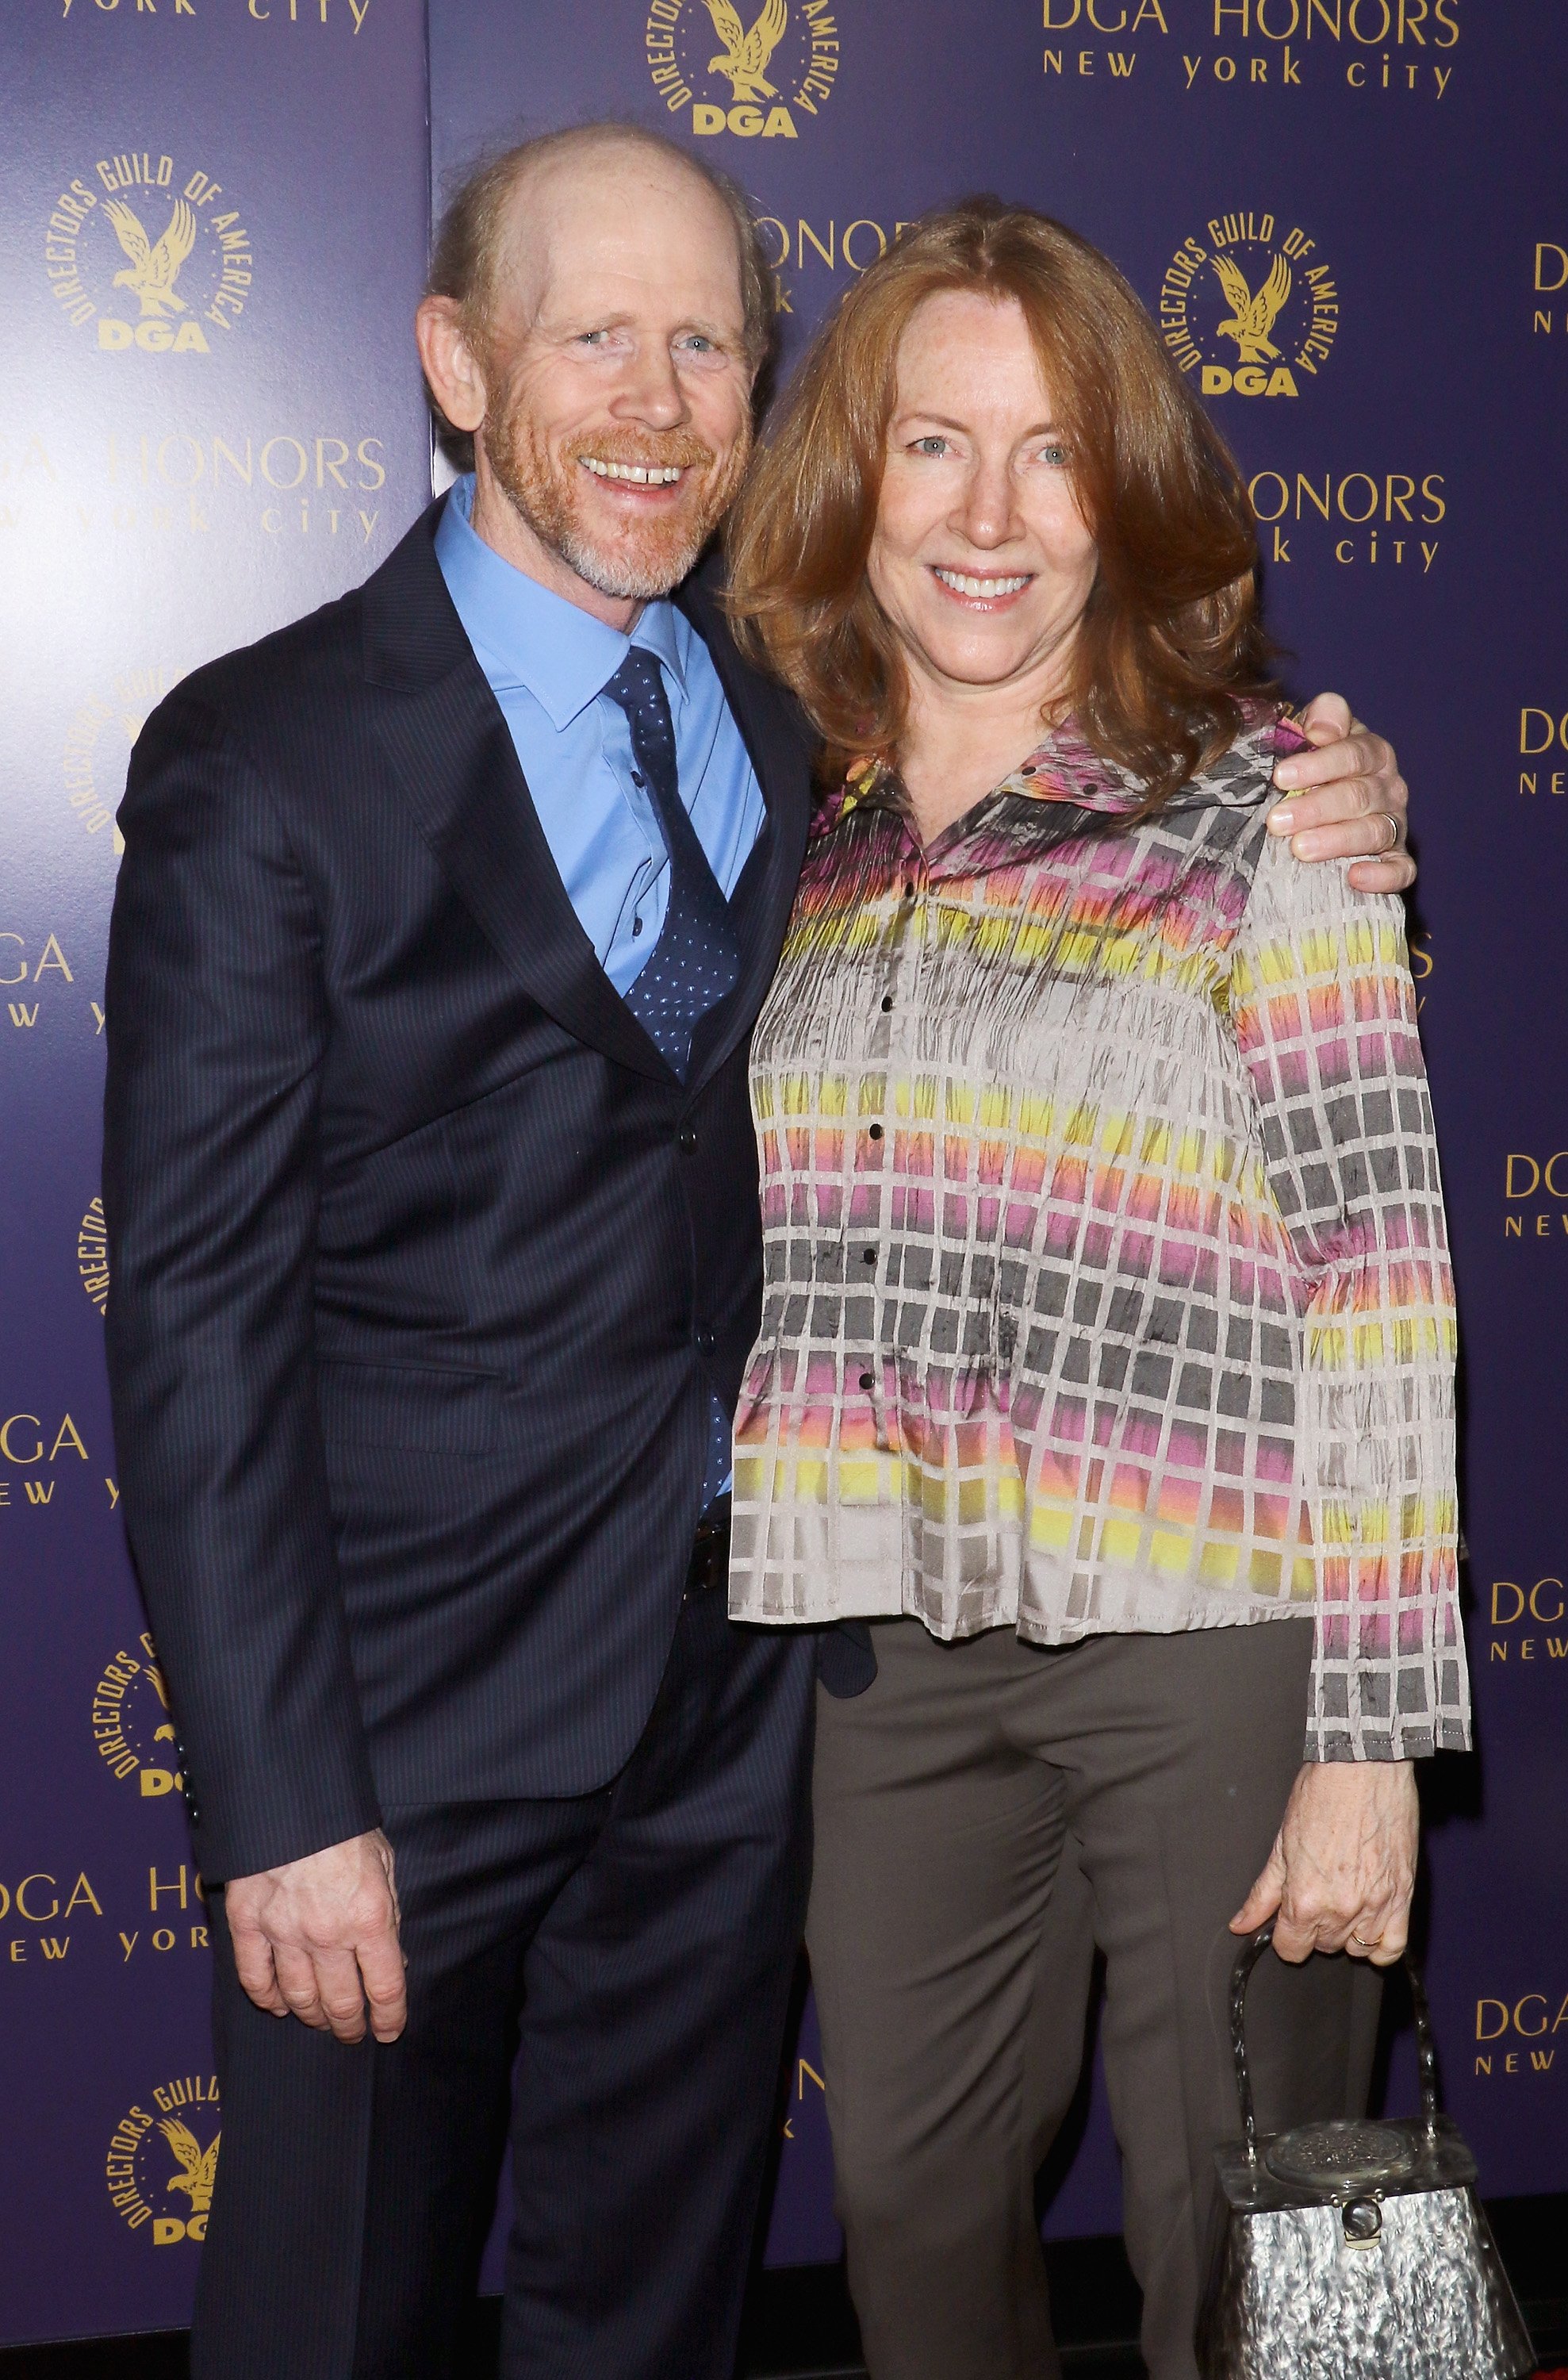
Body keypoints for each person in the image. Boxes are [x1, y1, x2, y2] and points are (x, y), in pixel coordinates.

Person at [102, 124, 1415, 2380]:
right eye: (590, 334)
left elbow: (1370, 1249)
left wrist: (1332, 778)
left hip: (855, 1683)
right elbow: (195, 1318)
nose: (653, 396)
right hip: (454, 1720)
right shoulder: (309, 752)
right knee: (398, 2300)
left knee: (1110, 2249)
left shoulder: (854, 708)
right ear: (452, 360)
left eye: (704, 338)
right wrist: (279, 1795)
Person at [724, 198, 1466, 2380]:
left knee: (1259, 2244)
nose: (985, 515)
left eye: (1048, 453)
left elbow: (1381, 1276)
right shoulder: (784, 829)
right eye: (928, 445)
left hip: (1216, 1642)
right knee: (904, 2219)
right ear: (846, 481)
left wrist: (1370, 1743)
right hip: (885, 1648)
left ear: (1120, 495)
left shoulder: (1267, 811)